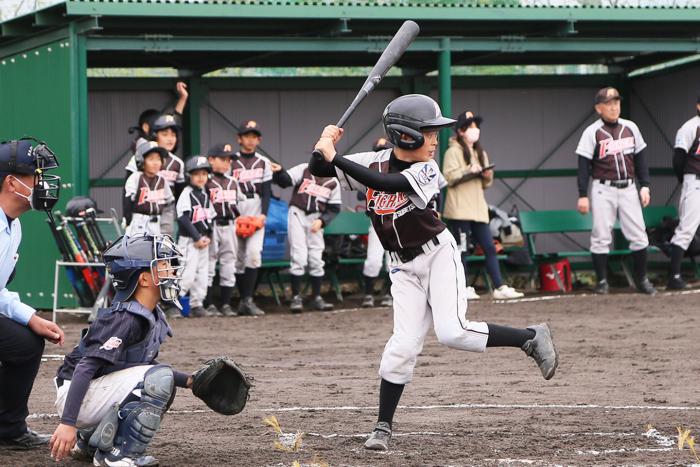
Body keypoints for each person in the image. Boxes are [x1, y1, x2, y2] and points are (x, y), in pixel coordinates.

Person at [310, 94, 559, 451]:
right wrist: (323, 146)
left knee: (452, 332)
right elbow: (319, 168)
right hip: (402, 267)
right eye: (428, 132)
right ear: (405, 136)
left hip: (437, 256)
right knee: (402, 346)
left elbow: (385, 185)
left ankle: (530, 336)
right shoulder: (374, 161)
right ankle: (382, 426)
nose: (435, 139)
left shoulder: (427, 169)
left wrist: (337, 158)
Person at [49, 233, 194, 465]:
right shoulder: (127, 317)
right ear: (144, 279)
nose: (172, 271)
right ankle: (117, 456)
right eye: (164, 265)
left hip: (90, 391)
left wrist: (190, 381)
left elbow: (138, 368)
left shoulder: (149, 313)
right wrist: (68, 423)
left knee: (160, 377)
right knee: (159, 379)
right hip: (76, 394)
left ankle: (92, 442)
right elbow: (85, 368)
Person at [0, 138, 65, 449]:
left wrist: (30, 317)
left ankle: (8, 429)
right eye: (35, 176)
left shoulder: (13, 226)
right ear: (12, 183)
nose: (43, 183)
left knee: (25, 343)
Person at [576, 87, 656, 295]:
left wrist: (645, 185)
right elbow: (583, 165)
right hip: (603, 188)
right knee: (601, 235)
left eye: (616, 103)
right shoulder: (592, 132)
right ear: (599, 108)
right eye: (609, 103)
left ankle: (642, 280)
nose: (614, 107)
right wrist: (582, 194)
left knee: (639, 234)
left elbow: (640, 159)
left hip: (629, 187)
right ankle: (602, 282)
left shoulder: (631, 127)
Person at [442, 111, 523, 300]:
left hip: (479, 209)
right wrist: (468, 170)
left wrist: (486, 175)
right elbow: (449, 178)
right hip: (459, 210)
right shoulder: (452, 152)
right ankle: (462, 287)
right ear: (461, 131)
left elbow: (487, 184)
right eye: (470, 126)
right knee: (462, 249)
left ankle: (499, 286)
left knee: (489, 246)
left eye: (476, 126)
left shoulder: (480, 152)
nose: (475, 130)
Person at [273, 162, 341, 312]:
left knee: (316, 258)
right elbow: (285, 182)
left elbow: (335, 208)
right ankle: (296, 297)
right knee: (299, 256)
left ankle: (316, 297)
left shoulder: (333, 180)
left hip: (316, 219)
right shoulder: (304, 169)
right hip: (297, 213)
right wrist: (280, 171)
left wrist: (323, 220)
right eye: (320, 156)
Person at [229, 121, 273, 316]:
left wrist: (263, 215)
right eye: (247, 136)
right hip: (235, 208)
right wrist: (234, 215)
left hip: (255, 208)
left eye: (254, 136)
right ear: (239, 139)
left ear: (259, 139)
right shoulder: (230, 161)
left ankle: (248, 299)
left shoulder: (263, 162)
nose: (250, 140)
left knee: (253, 256)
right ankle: (241, 300)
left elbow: (266, 192)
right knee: (237, 259)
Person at [667, 94, 700, 290]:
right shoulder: (689, 127)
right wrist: (684, 180)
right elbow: (678, 159)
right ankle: (674, 276)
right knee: (686, 230)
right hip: (695, 182)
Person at [176, 156, 215, 318]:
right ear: (189, 176)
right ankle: (172, 304)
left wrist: (207, 236)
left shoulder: (205, 195)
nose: (200, 177)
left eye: (204, 174)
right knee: (186, 275)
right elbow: (183, 218)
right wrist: (197, 237)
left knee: (202, 274)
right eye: (196, 174)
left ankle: (197, 304)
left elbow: (209, 218)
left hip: (202, 242)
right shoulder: (187, 194)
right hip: (189, 241)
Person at [205, 144, 241, 317]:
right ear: (211, 160)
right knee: (210, 265)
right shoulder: (205, 181)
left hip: (230, 225)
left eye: (229, 160)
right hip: (212, 226)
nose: (227, 163)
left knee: (229, 263)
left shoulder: (233, 182)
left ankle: (226, 304)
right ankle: (209, 303)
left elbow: (238, 204)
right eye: (223, 159)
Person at [361, 138, 394, 309]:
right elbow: (361, 195)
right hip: (376, 222)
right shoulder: (370, 171)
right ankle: (368, 293)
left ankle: (389, 293)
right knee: (373, 259)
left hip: (395, 222)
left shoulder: (397, 171)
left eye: (384, 150)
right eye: (378, 150)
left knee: (392, 260)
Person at [123, 141, 174, 237]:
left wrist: (166, 227)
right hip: (138, 222)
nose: (155, 163)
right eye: (151, 159)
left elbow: (169, 205)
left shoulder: (162, 180)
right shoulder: (135, 177)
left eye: (158, 159)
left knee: (156, 251)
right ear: (142, 161)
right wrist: (128, 222)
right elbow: (128, 202)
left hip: (157, 223)